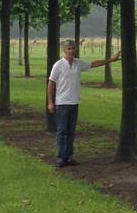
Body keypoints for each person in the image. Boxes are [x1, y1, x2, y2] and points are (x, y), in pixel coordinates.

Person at [47, 39, 120, 168]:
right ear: (64, 50)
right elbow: (51, 83)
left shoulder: (78, 64)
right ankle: (61, 157)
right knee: (62, 131)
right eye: (69, 49)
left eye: (73, 48)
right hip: (62, 103)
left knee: (71, 131)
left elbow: (94, 64)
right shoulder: (58, 65)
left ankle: (69, 156)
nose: (71, 51)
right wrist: (50, 102)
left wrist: (110, 60)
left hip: (74, 102)